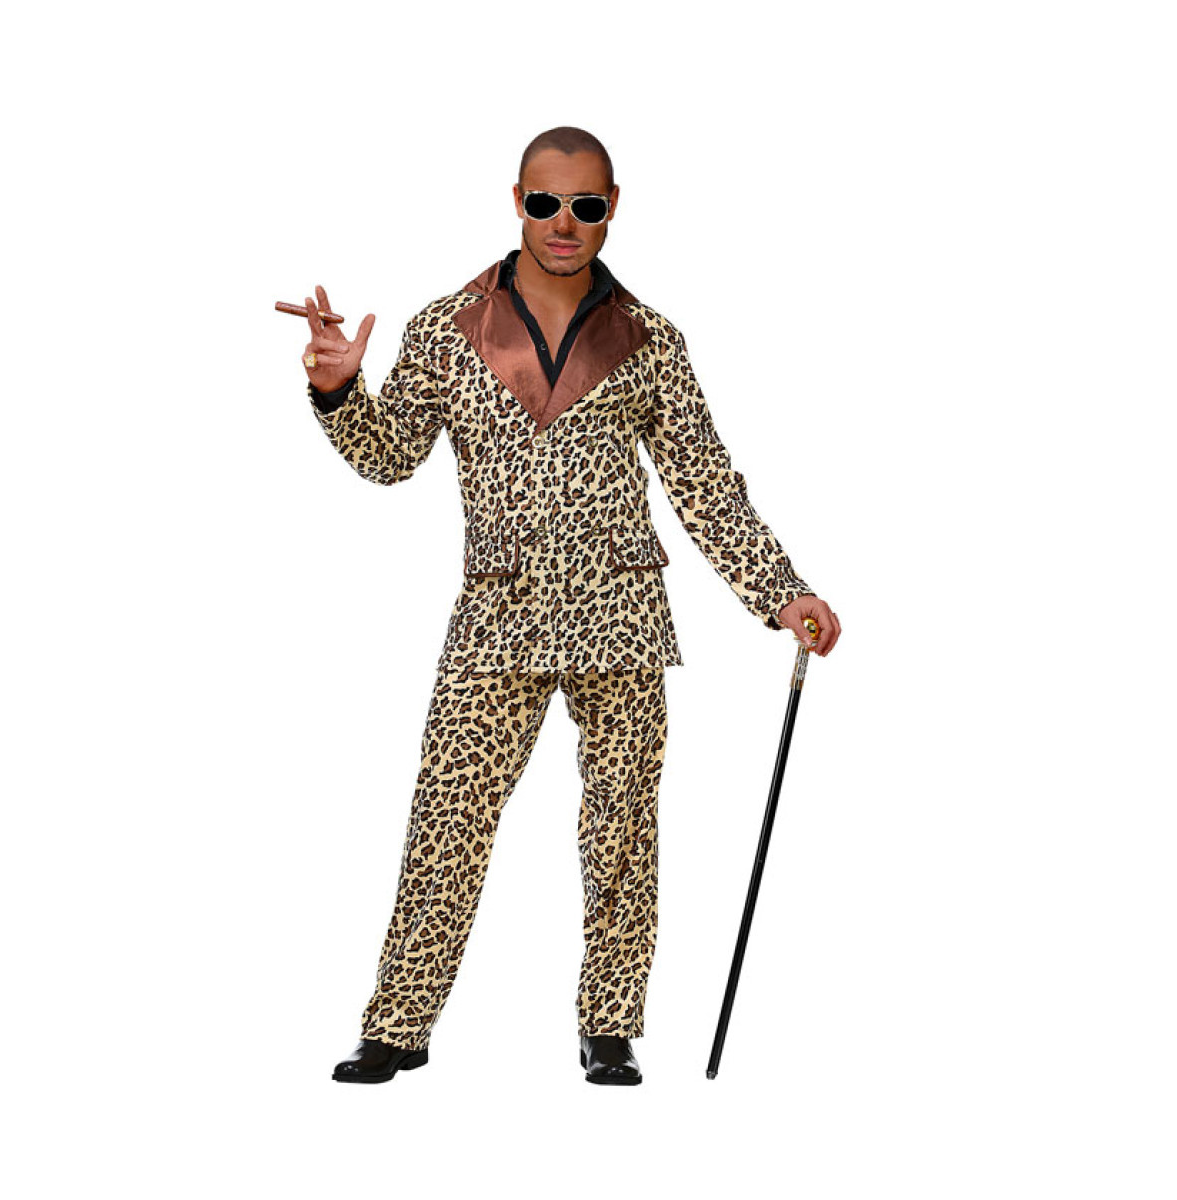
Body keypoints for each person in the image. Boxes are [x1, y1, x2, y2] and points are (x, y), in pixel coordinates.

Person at [297, 126, 841, 1085]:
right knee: (447, 821)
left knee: (622, 828)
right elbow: (389, 460)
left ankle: (610, 1026)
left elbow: (705, 484)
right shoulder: (446, 327)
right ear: (517, 200)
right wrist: (341, 393)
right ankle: (398, 1025)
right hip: (497, 614)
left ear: (612, 207)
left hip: (619, 613)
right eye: (545, 203)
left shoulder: (652, 340)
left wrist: (781, 591)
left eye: (585, 205)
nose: (563, 223)